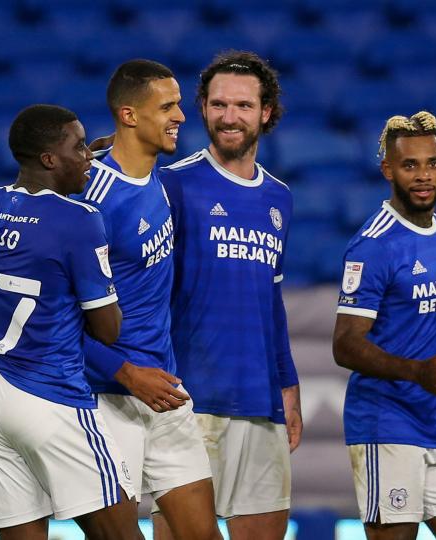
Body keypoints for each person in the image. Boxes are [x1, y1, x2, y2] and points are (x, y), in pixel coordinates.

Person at [0, 104, 143, 540]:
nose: (88, 155)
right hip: (50, 393)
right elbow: (107, 330)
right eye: (78, 146)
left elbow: (33, 214)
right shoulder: (80, 221)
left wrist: (80, 160)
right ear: (48, 159)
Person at [72, 60, 222, 540]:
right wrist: (126, 372)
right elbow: (54, 319)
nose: (181, 115)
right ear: (129, 115)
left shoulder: (156, 180)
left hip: (164, 391)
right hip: (103, 397)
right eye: (168, 106)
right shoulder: (88, 198)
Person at [155, 50, 301, 540]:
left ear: (266, 113)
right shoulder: (172, 185)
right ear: (202, 108)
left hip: (260, 400)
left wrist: (288, 385)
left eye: (242, 106)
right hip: (187, 401)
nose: (229, 117)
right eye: (218, 105)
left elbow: (271, 302)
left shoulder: (280, 197)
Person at [331, 111, 436, 540]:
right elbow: (345, 345)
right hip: (387, 423)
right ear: (388, 170)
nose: (423, 176)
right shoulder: (373, 244)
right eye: (409, 165)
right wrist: (417, 372)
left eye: (431, 164)